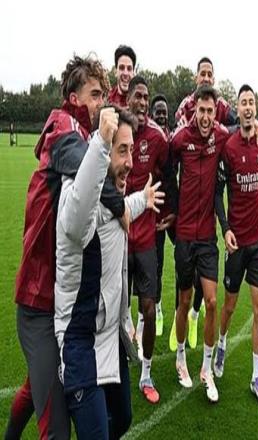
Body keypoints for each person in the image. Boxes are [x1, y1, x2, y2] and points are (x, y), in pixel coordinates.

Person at [5, 54, 126, 440]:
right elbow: (83, 166)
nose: (101, 102)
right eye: (95, 94)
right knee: (57, 428)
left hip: (61, 299)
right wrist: (121, 204)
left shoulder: (84, 134)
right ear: (74, 97)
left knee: (36, 386)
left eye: (104, 94)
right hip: (38, 300)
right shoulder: (63, 125)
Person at [54, 107, 164, 439]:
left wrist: (142, 199)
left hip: (109, 337)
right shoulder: (78, 197)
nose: (130, 162)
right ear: (101, 153)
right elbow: (77, 224)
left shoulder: (113, 200)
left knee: (124, 418)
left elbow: (120, 209)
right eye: (121, 151)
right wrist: (101, 143)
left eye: (131, 150)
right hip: (81, 341)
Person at [170, 85, 231, 403]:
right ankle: (180, 357)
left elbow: (242, 133)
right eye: (201, 110)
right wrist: (169, 212)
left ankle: (206, 369)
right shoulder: (180, 138)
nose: (206, 117)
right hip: (184, 236)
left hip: (208, 237)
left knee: (211, 302)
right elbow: (166, 171)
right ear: (194, 109)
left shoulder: (222, 136)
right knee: (184, 300)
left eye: (210, 111)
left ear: (215, 111)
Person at [213, 84, 258, 406]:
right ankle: (221, 343)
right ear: (237, 109)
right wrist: (225, 230)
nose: (247, 107)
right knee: (230, 306)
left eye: (252, 102)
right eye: (243, 103)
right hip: (236, 244)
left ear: (256, 108)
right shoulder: (229, 147)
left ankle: (256, 377)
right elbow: (217, 193)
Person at [126, 76, 171, 404]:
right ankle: (110, 367)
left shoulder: (157, 138)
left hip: (145, 239)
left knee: (150, 309)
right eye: (138, 96)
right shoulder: (116, 129)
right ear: (127, 98)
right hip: (116, 238)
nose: (143, 102)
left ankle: (145, 373)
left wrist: (171, 212)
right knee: (109, 309)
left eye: (146, 97)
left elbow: (169, 176)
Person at [150, 94, 175, 337]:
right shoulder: (149, 139)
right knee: (156, 265)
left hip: (175, 210)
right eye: (157, 112)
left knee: (187, 260)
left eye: (164, 112)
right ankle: (157, 310)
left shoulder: (174, 139)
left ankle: (188, 307)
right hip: (155, 211)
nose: (161, 116)